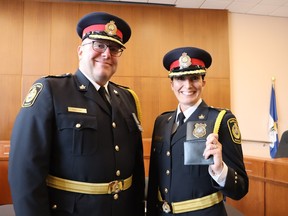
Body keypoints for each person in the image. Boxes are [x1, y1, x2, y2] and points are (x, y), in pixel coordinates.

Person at [8, 12, 145, 216]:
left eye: (114, 48)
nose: (107, 54)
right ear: (80, 51)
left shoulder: (128, 98)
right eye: (99, 45)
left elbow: (136, 170)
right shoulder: (51, 91)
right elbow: (25, 172)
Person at [147, 47, 249, 216]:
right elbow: (155, 180)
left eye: (194, 78)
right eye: (180, 78)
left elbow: (240, 188)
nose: (188, 85)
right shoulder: (162, 122)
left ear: (203, 82)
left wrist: (220, 170)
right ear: (172, 84)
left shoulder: (220, 120)